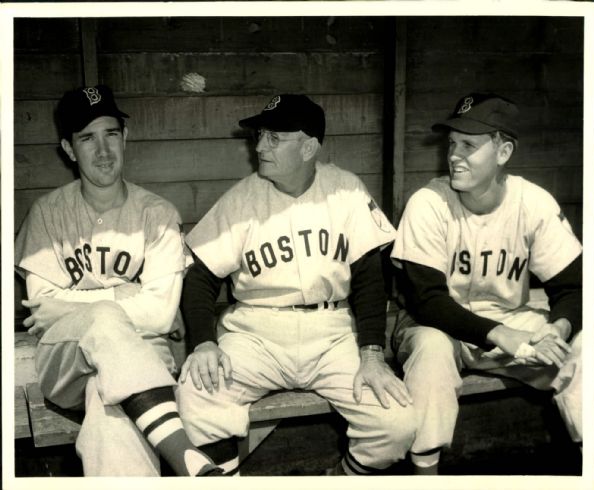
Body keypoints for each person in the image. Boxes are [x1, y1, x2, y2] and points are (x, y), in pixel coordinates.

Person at [176, 94, 417, 476]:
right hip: (257, 334)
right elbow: (199, 278)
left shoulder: (347, 190)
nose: (259, 147)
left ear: (308, 147)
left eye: (274, 138)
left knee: (398, 421)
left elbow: (372, 279)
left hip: (333, 333)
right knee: (197, 394)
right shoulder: (242, 198)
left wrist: (371, 353)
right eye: (260, 136)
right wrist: (204, 342)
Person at [15, 85, 221, 477]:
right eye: (87, 138)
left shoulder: (157, 213)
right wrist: (122, 294)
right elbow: (43, 311)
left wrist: (77, 302)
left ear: (125, 138)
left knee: (111, 418)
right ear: (69, 149)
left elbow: (160, 314)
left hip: (143, 361)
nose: (103, 150)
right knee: (106, 316)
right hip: (67, 365)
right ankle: (185, 456)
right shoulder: (47, 213)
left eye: (111, 133)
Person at [390, 92, 583, 473]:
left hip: (511, 323)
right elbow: (426, 301)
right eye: (452, 144)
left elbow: (575, 287)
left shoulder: (533, 202)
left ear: (503, 152)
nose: (454, 155)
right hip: (438, 326)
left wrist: (557, 331)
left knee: (585, 346)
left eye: (469, 145)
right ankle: (425, 474)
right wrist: (501, 334)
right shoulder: (428, 202)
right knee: (430, 350)